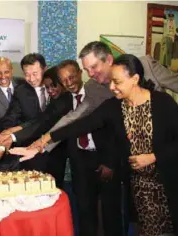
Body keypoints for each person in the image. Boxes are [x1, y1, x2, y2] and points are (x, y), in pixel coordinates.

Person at [12, 54, 178, 236]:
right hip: (138, 188)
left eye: (117, 82)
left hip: (167, 183)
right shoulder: (114, 107)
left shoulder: (163, 103)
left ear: (135, 79)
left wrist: (154, 156)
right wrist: (41, 143)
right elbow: (80, 124)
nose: (112, 87)